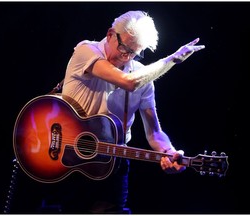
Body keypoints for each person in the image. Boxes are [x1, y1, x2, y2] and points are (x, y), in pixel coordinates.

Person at [55, 10, 205, 214]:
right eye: (124, 48)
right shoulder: (86, 51)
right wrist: (173, 60)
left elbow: (154, 132)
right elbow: (128, 83)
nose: (126, 57)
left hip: (112, 164)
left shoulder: (142, 76)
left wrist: (169, 152)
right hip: (68, 160)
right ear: (110, 34)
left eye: (134, 52)